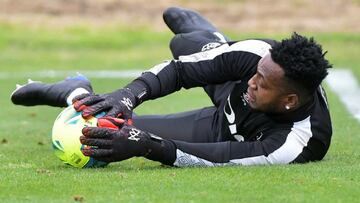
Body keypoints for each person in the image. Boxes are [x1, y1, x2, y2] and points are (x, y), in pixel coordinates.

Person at [11, 7, 333, 167]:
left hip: (222, 129)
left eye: (262, 83)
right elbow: (180, 72)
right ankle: (214, 44)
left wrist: (144, 146)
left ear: (290, 100)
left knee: (99, 132)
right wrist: (127, 95)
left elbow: (218, 158)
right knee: (185, 44)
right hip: (229, 95)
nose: (253, 80)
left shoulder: (296, 144)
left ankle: (74, 89)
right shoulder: (258, 57)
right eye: (256, 73)